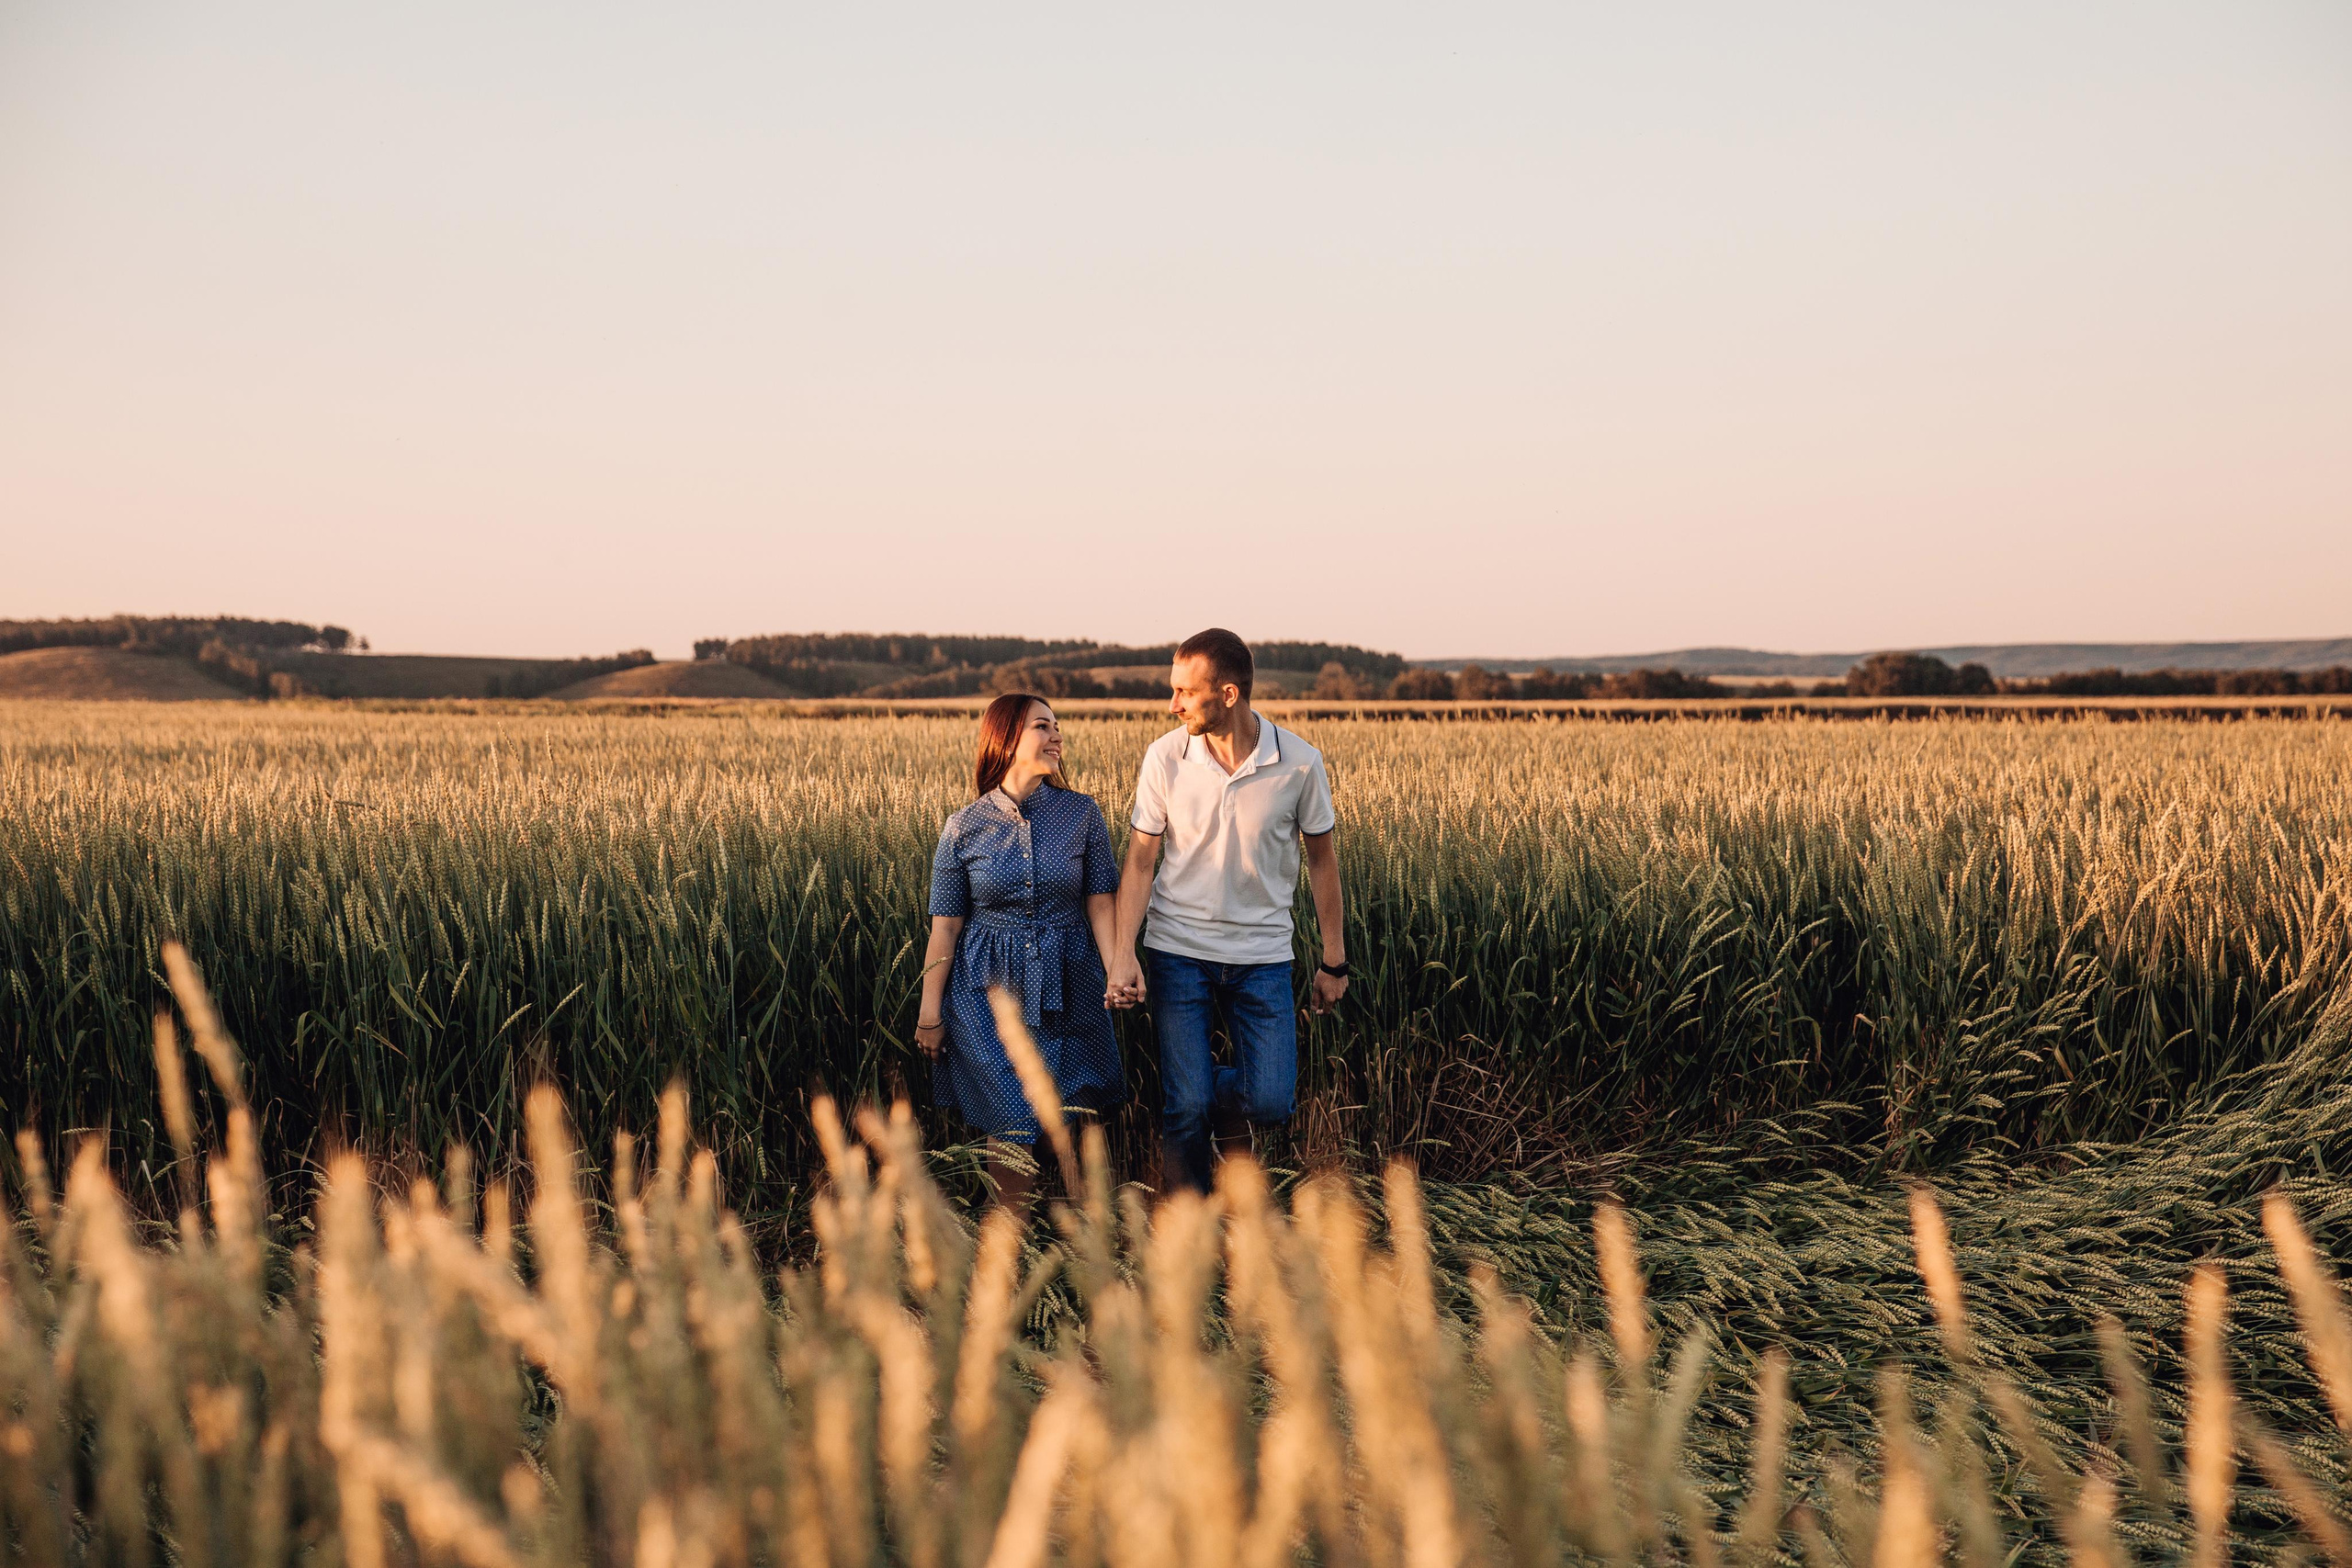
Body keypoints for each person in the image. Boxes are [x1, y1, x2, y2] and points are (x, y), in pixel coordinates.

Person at [1105, 628, 1347, 1193]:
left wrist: (1334, 960)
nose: (1173, 704)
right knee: (1185, 1108)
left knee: (1270, 1101)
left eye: (1186, 692)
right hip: (1177, 950)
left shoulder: (1299, 763)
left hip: (1262, 955)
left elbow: (1322, 863)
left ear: (1229, 694)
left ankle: (1204, 1098)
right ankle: (1187, 1221)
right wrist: (1122, 954)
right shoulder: (1165, 757)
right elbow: (1139, 862)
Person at [916, 693, 1125, 1212]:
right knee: (1010, 1116)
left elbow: (1101, 902)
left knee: (1070, 1107)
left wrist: (1117, 970)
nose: (1057, 735)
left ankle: (1076, 1231)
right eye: (1042, 726)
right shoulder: (964, 826)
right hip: (987, 992)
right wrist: (929, 1013)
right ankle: (1009, 1236)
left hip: (1070, 980)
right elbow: (945, 930)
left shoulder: (1081, 814)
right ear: (1007, 738)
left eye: (1057, 726)